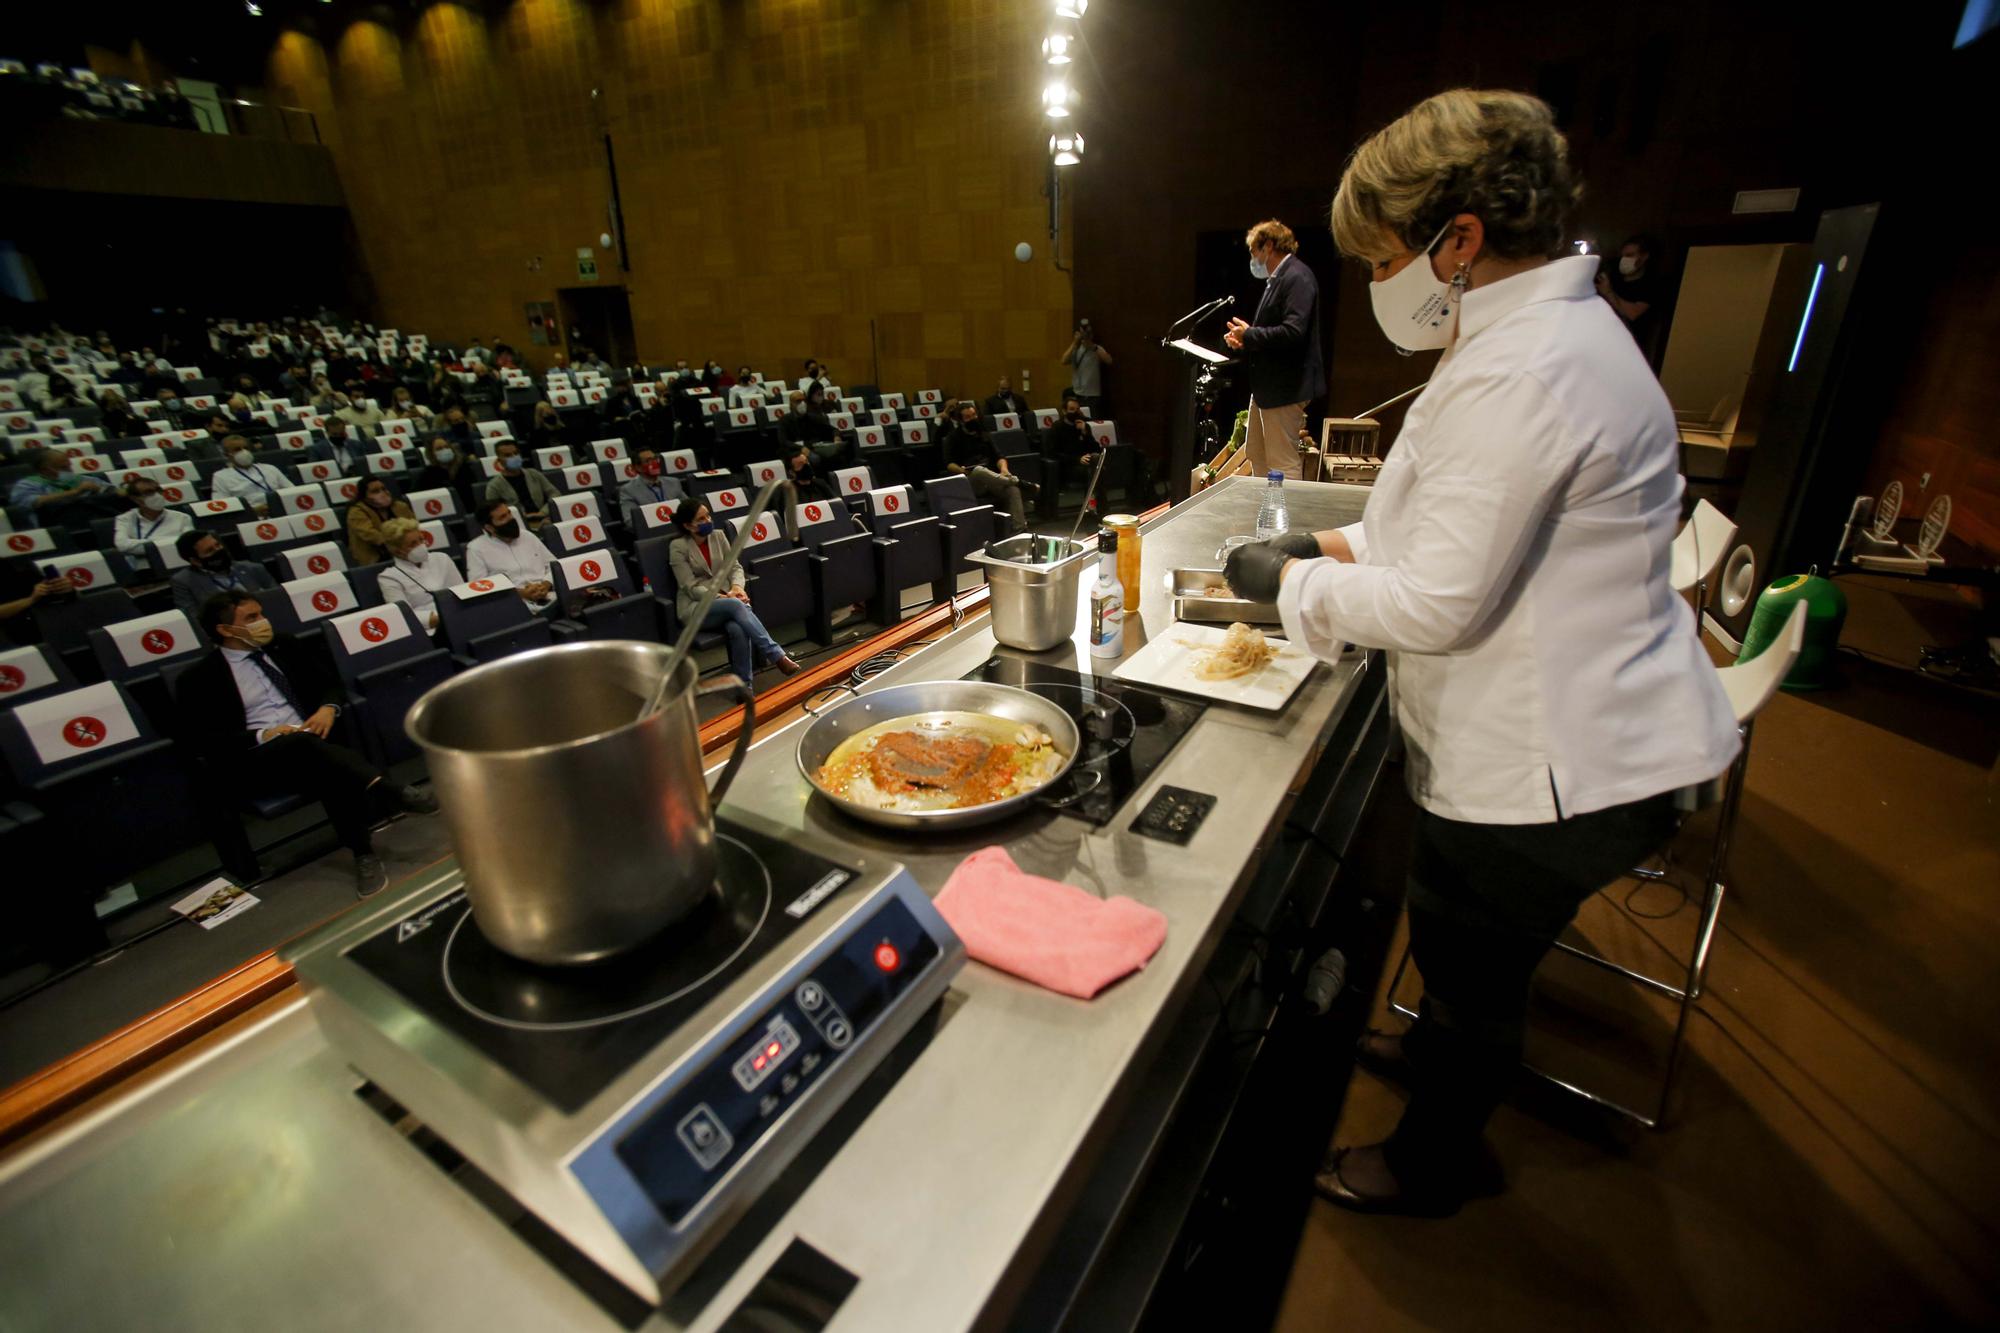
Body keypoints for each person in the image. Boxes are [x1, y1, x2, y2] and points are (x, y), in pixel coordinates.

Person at [1223, 88, 1738, 1217]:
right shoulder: (1531, 334)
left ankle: (1429, 1160)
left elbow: (1437, 597)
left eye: (1381, 256)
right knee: (1454, 938)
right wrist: (1323, 538)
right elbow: (1445, 518)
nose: (1375, 284)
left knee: (1469, 972)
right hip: (1563, 732)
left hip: (1554, 766)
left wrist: (1290, 583)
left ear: (1457, 240)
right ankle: (1436, 1072)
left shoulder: (1527, 367)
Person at [182, 590, 437, 898]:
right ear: (225, 630)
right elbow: (208, 740)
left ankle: (364, 854)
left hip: (314, 741)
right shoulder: (199, 678)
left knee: (323, 764)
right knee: (307, 748)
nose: (263, 622)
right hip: (259, 757)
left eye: (261, 614)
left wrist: (328, 708)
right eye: (251, 618)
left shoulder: (285, 646)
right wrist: (265, 734)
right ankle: (390, 792)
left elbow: (330, 684)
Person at [1223, 219, 1325, 480]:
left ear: (1268, 245)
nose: (1252, 258)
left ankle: (1286, 521)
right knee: (1256, 453)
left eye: (1252, 251)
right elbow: (1274, 335)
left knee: (1282, 463)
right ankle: (1263, 515)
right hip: (1267, 388)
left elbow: (1293, 331)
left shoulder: (1297, 277)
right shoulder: (1277, 279)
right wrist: (1246, 339)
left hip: (1285, 386)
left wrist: (1251, 334)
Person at [667, 498, 801, 681]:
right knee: (736, 606)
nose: (708, 521)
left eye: (708, 515)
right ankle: (776, 655)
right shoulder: (678, 547)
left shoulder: (719, 535)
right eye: (701, 519)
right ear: (688, 525)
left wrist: (737, 587)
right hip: (695, 607)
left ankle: (744, 686)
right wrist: (725, 597)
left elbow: (735, 567)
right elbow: (690, 587)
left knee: (737, 628)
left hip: (726, 601)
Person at [942, 400, 1036, 533]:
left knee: (1012, 490)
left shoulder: (984, 434)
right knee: (979, 470)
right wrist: (961, 470)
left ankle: (1019, 529)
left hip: (992, 478)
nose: (973, 419)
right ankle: (1019, 482)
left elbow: (999, 457)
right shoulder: (953, 437)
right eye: (968, 417)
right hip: (970, 480)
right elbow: (949, 463)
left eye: (974, 415)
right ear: (961, 420)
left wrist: (1004, 470)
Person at [465, 498, 557, 612]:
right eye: (502, 517)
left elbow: (554, 565)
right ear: (489, 527)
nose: (510, 519)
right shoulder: (476, 549)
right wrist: (519, 593)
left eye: (509, 513)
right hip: (512, 605)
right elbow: (479, 587)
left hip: (550, 595)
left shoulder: (528, 536)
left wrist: (546, 584)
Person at [376, 518, 460, 634]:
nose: (421, 546)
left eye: (421, 540)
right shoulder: (389, 577)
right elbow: (403, 614)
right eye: (413, 544)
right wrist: (441, 618)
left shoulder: (442, 558)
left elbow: (460, 590)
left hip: (457, 614)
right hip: (430, 629)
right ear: (397, 551)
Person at [7, 446, 119, 528]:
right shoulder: (27, 484)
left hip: (94, 522)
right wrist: (75, 492)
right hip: (54, 527)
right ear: (45, 470)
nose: (70, 470)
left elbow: (115, 491)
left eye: (69, 466)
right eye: (64, 468)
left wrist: (101, 490)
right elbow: (35, 502)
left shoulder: (82, 479)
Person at [171, 529, 278, 614]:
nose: (219, 551)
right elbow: (194, 620)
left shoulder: (253, 568)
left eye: (218, 545)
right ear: (195, 561)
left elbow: (278, 599)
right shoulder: (184, 582)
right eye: (210, 550)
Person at [1596, 233, 1664, 366]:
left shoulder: (1652, 284)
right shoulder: (1613, 276)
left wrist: (1609, 293)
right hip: (1603, 338)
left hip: (1630, 345)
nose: (1624, 260)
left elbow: (1633, 313)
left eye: (1630, 255)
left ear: (1644, 257)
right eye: (1623, 256)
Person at [113, 476, 193, 560]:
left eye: (159, 490)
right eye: (149, 492)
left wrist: (139, 546)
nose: (157, 495)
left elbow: (187, 545)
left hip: (175, 560)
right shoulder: (124, 519)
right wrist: (172, 542)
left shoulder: (183, 517)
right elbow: (121, 545)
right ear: (136, 499)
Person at [484, 439, 557, 530]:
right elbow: (495, 512)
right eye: (508, 455)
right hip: (517, 524)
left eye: (516, 453)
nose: (514, 457)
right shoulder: (494, 485)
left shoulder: (534, 473)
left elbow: (554, 494)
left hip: (545, 517)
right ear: (499, 460)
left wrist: (543, 512)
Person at [208, 436, 291, 514]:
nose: (244, 452)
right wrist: (251, 511)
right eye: (237, 449)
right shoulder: (221, 476)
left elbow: (292, 490)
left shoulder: (270, 468)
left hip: (282, 509)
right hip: (251, 515)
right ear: (226, 455)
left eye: (246, 448)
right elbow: (222, 507)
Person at [346, 476, 414, 565]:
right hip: (374, 558)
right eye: (375, 491)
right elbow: (370, 535)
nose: (383, 493)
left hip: (404, 551)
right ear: (364, 496)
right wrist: (396, 545)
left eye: (383, 489)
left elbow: (414, 527)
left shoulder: (400, 506)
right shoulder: (356, 512)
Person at [1040, 391, 1101, 489]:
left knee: (1097, 463)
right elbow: (1052, 453)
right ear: (1064, 411)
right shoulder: (1057, 427)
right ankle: (1095, 502)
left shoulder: (1084, 425)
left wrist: (1085, 433)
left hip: (1087, 462)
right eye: (1072, 409)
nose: (1076, 412)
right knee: (1095, 472)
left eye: (1077, 409)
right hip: (1068, 466)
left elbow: (1096, 448)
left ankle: (1095, 501)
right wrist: (1077, 459)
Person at [619, 448, 686, 532]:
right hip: (653, 532)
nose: (654, 463)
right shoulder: (628, 490)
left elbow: (689, 507)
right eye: (648, 461)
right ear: (638, 467)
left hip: (679, 528)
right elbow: (630, 521)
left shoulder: (673, 482)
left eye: (655, 459)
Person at [415, 433, 481, 516]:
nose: (444, 450)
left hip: (471, 511)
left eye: (446, 447)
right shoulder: (427, 475)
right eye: (439, 449)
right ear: (432, 454)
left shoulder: (465, 467)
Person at [779, 384, 842, 463]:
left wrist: (836, 436)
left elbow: (833, 429)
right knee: (813, 458)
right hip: (794, 450)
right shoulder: (784, 420)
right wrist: (800, 448)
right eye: (798, 401)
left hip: (812, 448)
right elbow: (783, 441)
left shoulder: (812, 417)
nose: (802, 403)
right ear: (792, 404)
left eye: (804, 400)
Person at [1062, 318, 1111, 415]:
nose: (1086, 336)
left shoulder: (1097, 349)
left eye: (1088, 333)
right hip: (1076, 395)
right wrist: (1075, 342)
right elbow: (1063, 361)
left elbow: (1109, 360)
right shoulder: (1076, 349)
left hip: (1092, 396)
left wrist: (1092, 346)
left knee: (1090, 425)